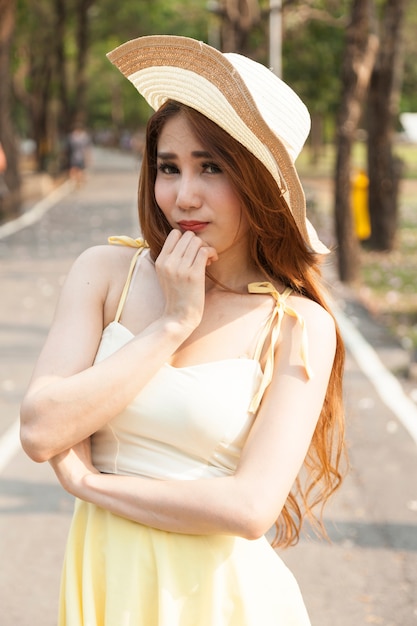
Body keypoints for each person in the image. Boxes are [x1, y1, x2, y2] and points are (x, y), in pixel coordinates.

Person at [20, 35, 346, 626]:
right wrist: (171, 324)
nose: (183, 195)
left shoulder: (298, 325)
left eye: (212, 168)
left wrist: (93, 487)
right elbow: (42, 428)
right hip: (106, 589)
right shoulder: (105, 273)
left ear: (260, 183)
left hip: (226, 604)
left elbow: (250, 508)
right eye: (169, 168)